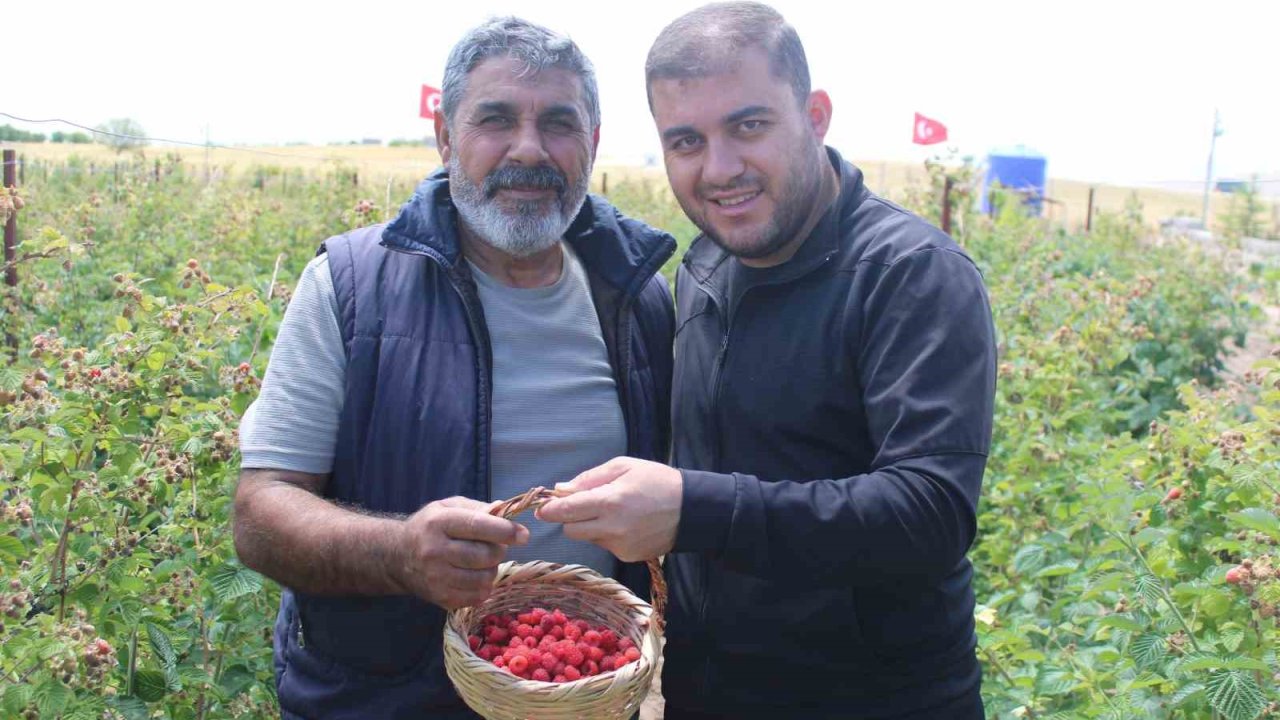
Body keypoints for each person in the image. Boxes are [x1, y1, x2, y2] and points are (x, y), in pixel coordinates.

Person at [537, 2, 997, 718]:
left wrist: (693, 510)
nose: (720, 169)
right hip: (709, 691)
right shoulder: (707, 263)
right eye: (686, 141)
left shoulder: (909, 274)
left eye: (748, 126)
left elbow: (929, 514)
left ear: (815, 115)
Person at [232, 16, 675, 720]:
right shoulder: (350, 289)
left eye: (559, 123)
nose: (527, 150)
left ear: (592, 143)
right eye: (495, 119)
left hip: (578, 689)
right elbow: (259, 514)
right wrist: (400, 553)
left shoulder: (638, 299)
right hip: (382, 700)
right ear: (445, 137)